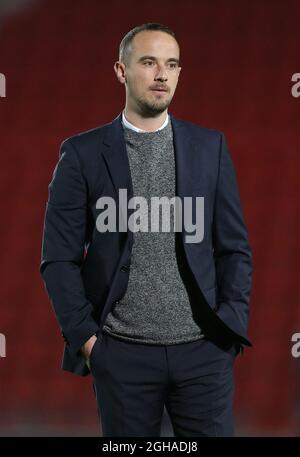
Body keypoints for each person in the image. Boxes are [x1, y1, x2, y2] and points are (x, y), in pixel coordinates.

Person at [40, 22, 253, 437]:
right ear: (121, 71)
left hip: (203, 356)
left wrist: (229, 327)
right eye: (149, 62)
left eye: (171, 64)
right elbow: (58, 259)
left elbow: (234, 250)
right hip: (121, 356)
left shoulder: (211, 148)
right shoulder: (81, 154)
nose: (162, 75)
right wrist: (89, 342)